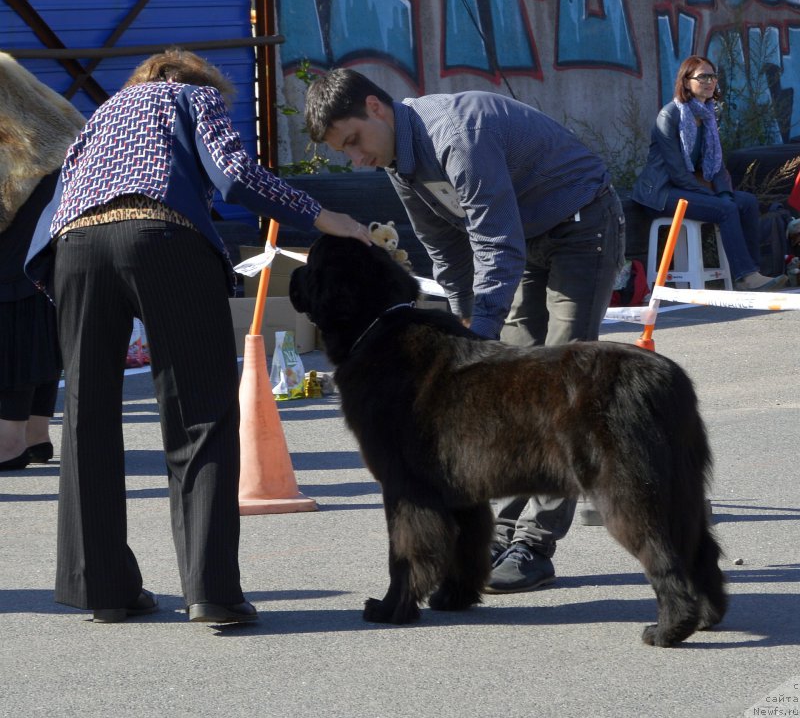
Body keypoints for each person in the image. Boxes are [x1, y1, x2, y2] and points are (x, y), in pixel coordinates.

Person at [26, 49, 372, 624]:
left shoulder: (105, 112)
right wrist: (321, 215)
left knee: (87, 416)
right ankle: (211, 591)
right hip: (164, 239)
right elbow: (233, 174)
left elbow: (61, 189)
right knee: (200, 413)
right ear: (191, 78)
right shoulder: (191, 96)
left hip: (77, 248)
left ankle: (103, 588)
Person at [304, 68, 625, 593]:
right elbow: (446, 252)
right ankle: (504, 529)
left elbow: (496, 243)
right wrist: (463, 324)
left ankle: (536, 542)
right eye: (346, 151)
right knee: (514, 388)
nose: (357, 158)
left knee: (564, 385)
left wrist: (480, 335)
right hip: (525, 240)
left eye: (355, 140)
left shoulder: (457, 136)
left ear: (376, 107)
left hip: (580, 225)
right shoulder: (400, 163)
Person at [633, 55, 787, 291]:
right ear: (686, 82)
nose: (710, 81)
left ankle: (754, 271)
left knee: (746, 202)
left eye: (713, 76)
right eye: (702, 77)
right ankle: (745, 276)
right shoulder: (669, 115)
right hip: (661, 193)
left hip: (689, 189)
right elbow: (676, 172)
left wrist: (724, 193)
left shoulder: (708, 115)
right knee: (725, 208)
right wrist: (714, 197)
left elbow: (716, 164)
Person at [1, 53, 84, 471]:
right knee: (38, 318)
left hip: (13, 237)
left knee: (10, 325)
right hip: (53, 237)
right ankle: (36, 434)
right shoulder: (55, 121)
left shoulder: (11, 139)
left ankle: (8, 442)